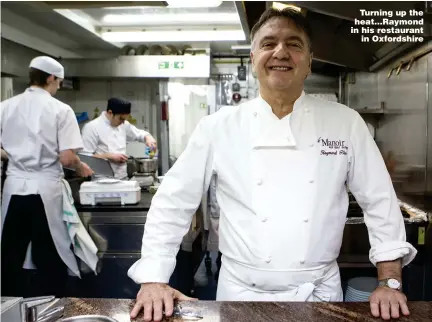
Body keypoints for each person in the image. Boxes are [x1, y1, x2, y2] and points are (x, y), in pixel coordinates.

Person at [127, 8, 417, 322]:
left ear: (309, 60)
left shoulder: (345, 123)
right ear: (253, 57)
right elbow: (173, 202)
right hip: (241, 294)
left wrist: (389, 281)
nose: (281, 52)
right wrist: (154, 278)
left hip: (318, 293)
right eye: (269, 44)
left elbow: (379, 201)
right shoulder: (219, 126)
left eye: (294, 44)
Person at [0, 56, 94, 297]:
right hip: (45, 193)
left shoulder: (6, 106)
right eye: (59, 82)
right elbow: (66, 157)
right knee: (50, 255)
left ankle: (9, 310)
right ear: (51, 78)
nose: (59, 86)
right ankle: (52, 309)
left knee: (10, 256)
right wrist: (81, 166)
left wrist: (14, 156)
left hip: (13, 190)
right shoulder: (60, 110)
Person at [81, 97, 157, 180]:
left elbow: (140, 134)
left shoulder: (123, 125)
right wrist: (108, 156)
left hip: (122, 178)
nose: (123, 122)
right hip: (102, 181)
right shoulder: (91, 127)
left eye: (125, 119)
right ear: (110, 113)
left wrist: (148, 138)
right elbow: (85, 157)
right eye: (121, 119)